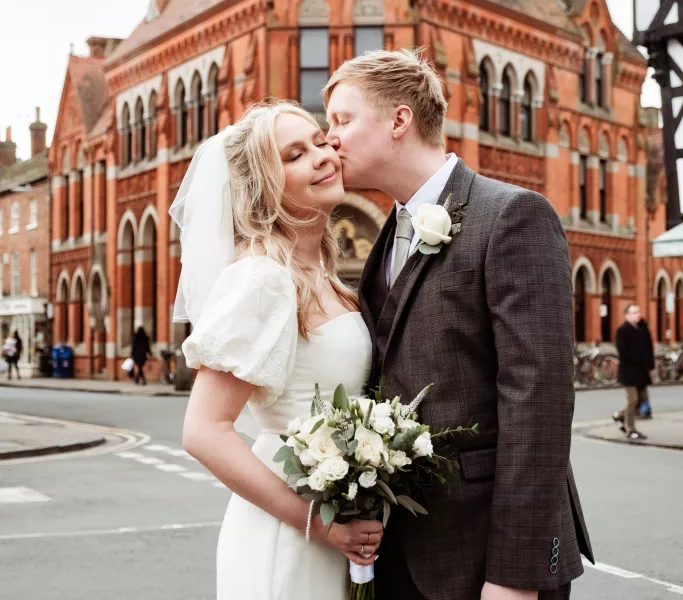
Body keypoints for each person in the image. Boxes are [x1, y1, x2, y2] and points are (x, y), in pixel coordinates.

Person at [324, 49, 594, 600]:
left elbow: (538, 401)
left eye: (342, 120)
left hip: (488, 561)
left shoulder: (513, 215)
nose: (330, 138)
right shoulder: (385, 241)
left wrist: (514, 577)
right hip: (403, 554)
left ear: (399, 120)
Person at [176, 102, 383, 600]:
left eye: (318, 140)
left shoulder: (326, 279)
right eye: (294, 154)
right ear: (266, 185)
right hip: (288, 533)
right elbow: (204, 431)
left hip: (331, 522)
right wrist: (319, 523)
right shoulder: (263, 279)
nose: (322, 155)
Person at [613, 304, 654, 442]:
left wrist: (650, 366)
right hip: (629, 371)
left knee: (642, 400)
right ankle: (630, 429)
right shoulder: (622, 330)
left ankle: (619, 416)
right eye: (634, 312)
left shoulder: (642, 329)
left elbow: (649, 348)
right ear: (627, 315)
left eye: (638, 311)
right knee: (633, 400)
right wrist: (636, 359)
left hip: (642, 372)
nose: (638, 314)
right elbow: (623, 351)